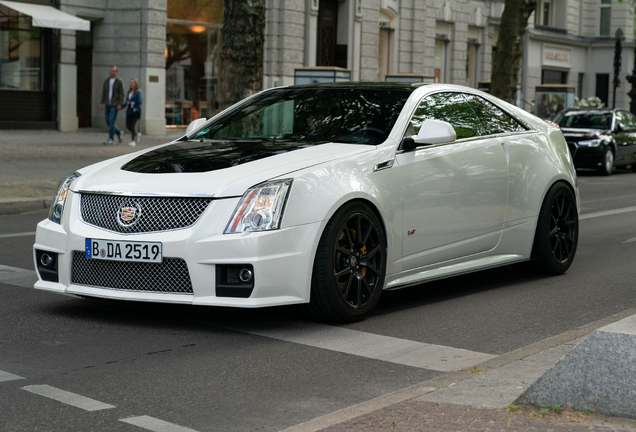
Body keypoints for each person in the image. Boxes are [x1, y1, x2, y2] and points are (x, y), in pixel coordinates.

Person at [99, 65, 125, 145]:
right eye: (111, 70)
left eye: (113, 71)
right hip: (107, 103)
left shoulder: (119, 81)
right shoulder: (106, 81)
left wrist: (120, 104)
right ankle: (119, 132)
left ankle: (111, 139)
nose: (111, 72)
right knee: (108, 121)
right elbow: (104, 92)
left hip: (114, 104)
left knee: (111, 120)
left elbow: (121, 94)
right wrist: (101, 102)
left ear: (116, 72)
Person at [122, 78, 143, 147]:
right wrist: (122, 106)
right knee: (128, 125)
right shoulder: (129, 92)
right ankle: (136, 134)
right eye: (130, 83)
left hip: (135, 111)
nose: (131, 84)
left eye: (133, 83)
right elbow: (126, 102)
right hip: (129, 111)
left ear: (136, 84)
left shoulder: (138, 92)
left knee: (132, 125)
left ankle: (132, 141)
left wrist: (131, 102)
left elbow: (140, 101)